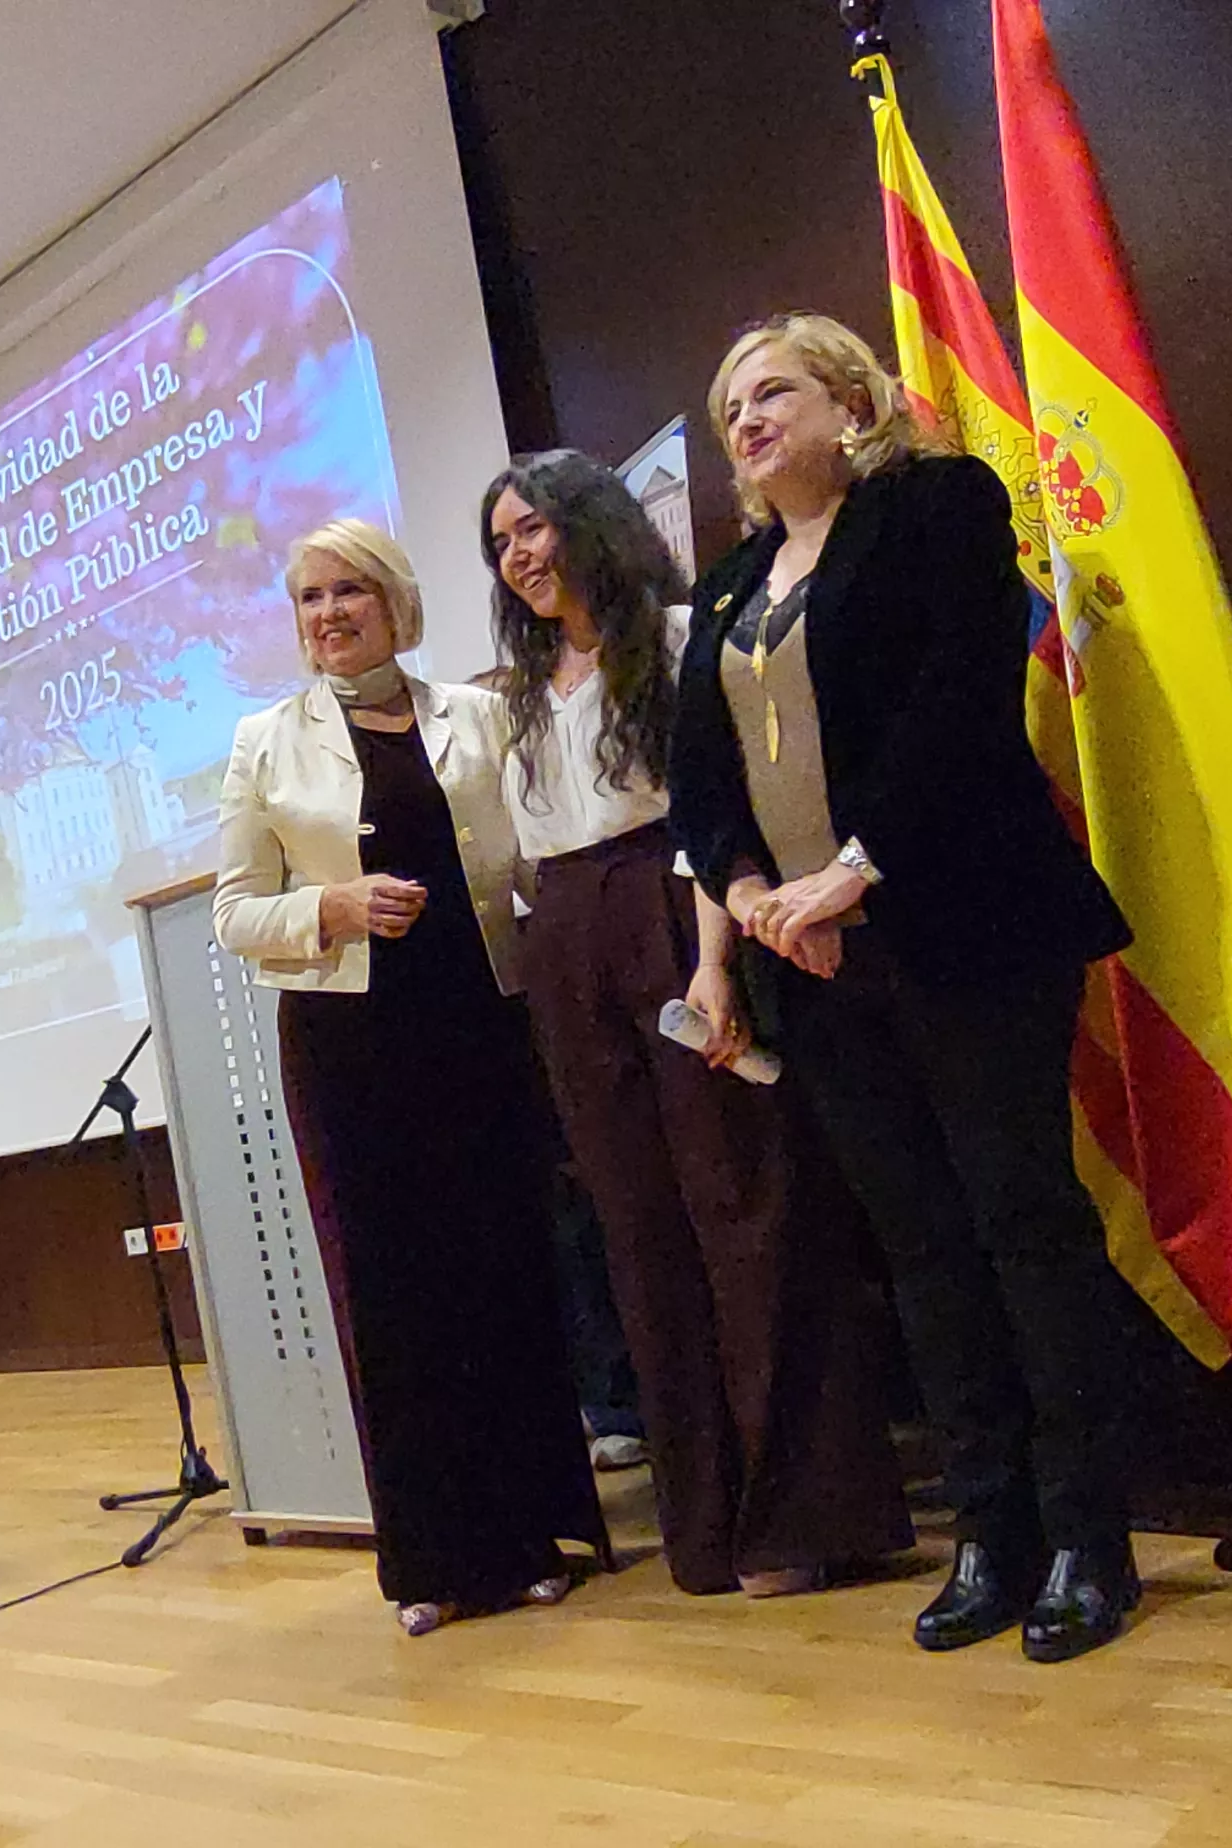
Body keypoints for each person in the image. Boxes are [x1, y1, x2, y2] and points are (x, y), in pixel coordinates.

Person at [668, 312, 1147, 1663]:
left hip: (963, 921)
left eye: (772, 393)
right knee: (923, 1251)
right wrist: (761, 896)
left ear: (850, 400)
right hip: (816, 966)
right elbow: (699, 782)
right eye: (730, 413)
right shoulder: (725, 590)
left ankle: (1087, 1538)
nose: (748, 424)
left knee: (1021, 1225)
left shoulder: (936, 502)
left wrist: (856, 871)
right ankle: (988, 1534)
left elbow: (959, 701)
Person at [483, 448, 916, 1601]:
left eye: (533, 528)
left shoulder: (679, 637)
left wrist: (713, 963)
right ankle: (710, 1526)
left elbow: (710, 820)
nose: (520, 555)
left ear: (590, 524)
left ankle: (807, 1517)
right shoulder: (520, 689)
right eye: (502, 541)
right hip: (566, 933)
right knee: (637, 1226)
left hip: (678, 914)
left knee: (746, 1202)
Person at [213, 518, 607, 1637]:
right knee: (392, 1294)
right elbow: (237, 911)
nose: (328, 613)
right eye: (306, 597)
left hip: (482, 1023)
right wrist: (328, 908)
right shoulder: (263, 742)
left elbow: (537, 853)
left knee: (506, 1274)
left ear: (393, 603)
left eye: (348, 591)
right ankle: (434, 1558)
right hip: (351, 1045)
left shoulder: (476, 714)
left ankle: (535, 1533)